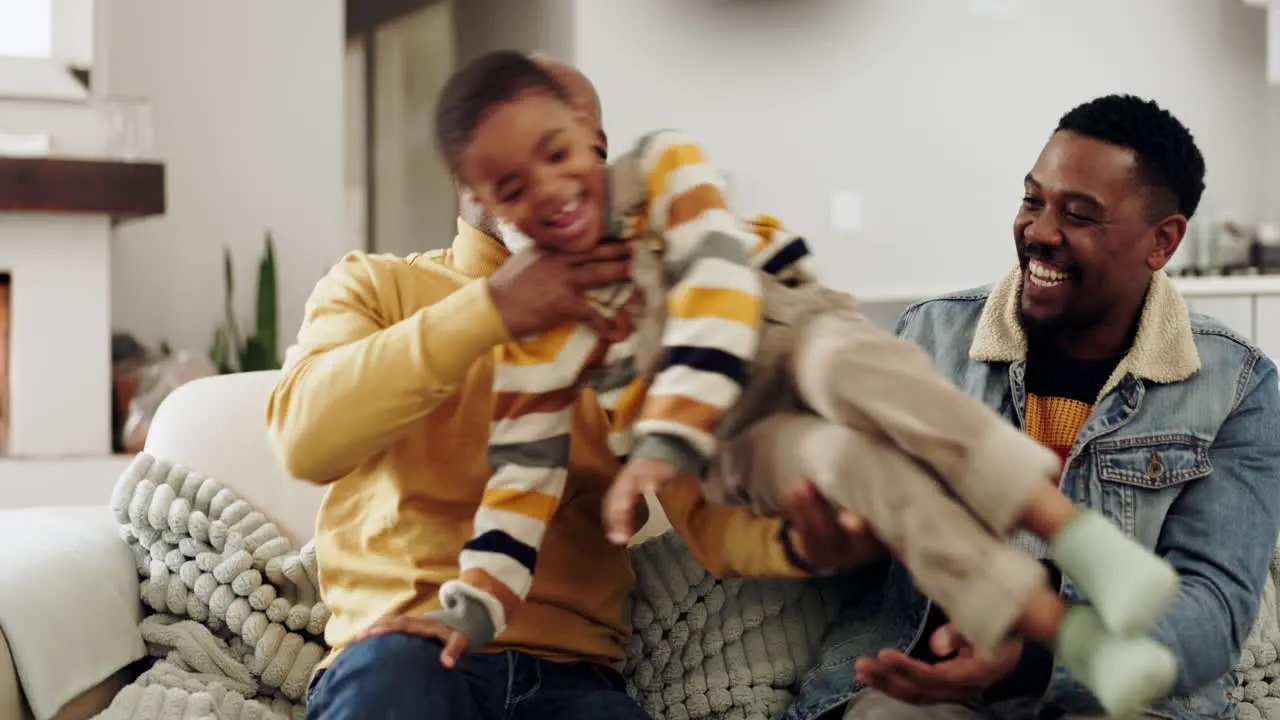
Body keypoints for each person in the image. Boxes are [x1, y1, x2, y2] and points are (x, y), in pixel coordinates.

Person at [429, 51, 1186, 717]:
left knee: (845, 369)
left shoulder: (664, 169)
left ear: (588, 138)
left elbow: (719, 296)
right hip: (734, 437)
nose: (552, 191)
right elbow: (522, 476)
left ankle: (1080, 539)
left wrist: (662, 438)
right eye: (512, 187)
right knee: (846, 465)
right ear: (486, 204)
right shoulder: (541, 335)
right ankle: (1080, 641)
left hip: (783, 334)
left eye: (559, 152)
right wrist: (478, 601)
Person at [267, 52, 877, 720]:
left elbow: (706, 516)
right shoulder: (377, 286)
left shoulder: (631, 326)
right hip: (400, 655)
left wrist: (798, 543)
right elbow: (306, 442)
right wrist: (493, 309)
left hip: (570, 680)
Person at [828, 94, 1280, 720]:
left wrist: (1033, 663)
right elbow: (850, 513)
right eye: (1032, 200)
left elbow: (1211, 614)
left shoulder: (1237, 386)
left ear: (1163, 241)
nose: (1039, 231)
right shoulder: (930, 337)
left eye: (1080, 215)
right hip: (925, 683)